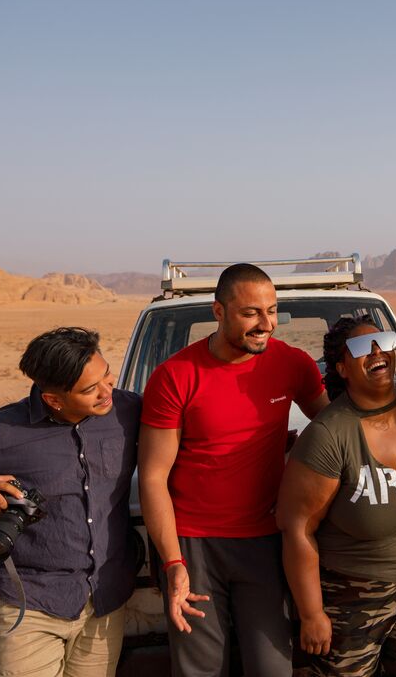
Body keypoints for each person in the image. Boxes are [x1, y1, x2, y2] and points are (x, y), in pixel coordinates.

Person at [138, 263, 328, 677]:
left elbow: (333, 430)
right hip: (194, 545)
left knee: (271, 667)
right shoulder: (175, 376)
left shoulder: (293, 364)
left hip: (266, 540)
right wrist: (172, 562)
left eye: (272, 311)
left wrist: (301, 455)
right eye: (251, 313)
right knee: (200, 670)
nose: (266, 324)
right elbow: (153, 477)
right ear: (219, 311)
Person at [0, 327, 140, 677]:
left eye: (107, 375)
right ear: (53, 399)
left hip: (105, 601)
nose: (107, 390)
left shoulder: (129, 410)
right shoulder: (1, 430)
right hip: (30, 605)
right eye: (90, 389)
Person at [277, 315, 396, 677]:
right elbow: (298, 528)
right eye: (361, 346)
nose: (377, 351)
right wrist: (311, 613)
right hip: (352, 600)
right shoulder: (328, 435)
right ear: (341, 367)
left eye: (384, 341)